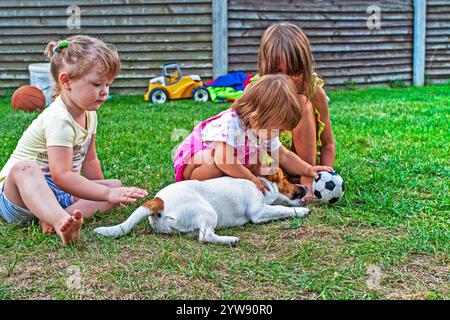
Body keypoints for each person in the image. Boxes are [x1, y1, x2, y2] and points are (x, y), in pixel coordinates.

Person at [0, 35, 148, 245]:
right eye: (97, 84)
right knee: (26, 168)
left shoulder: (90, 114)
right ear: (66, 81)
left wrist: (107, 194)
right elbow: (61, 176)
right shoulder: (59, 118)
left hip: (59, 194)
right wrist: (105, 194)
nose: (104, 91)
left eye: (108, 84)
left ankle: (55, 219)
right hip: (19, 198)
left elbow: (90, 161)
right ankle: (60, 220)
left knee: (115, 185)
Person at [172, 74, 332, 193]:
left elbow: (284, 156)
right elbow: (223, 160)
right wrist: (249, 178)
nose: (280, 134)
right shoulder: (231, 123)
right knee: (216, 162)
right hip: (194, 164)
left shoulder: (264, 128)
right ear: (258, 116)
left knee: (263, 166)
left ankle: (233, 183)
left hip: (231, 159)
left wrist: (308, 170)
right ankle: (204, 189)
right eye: (279, 128)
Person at [257, 22, 337, 202]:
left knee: (301, 103)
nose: (285, 80)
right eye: (277, 72)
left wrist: (322, 176)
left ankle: (306, 181)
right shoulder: (256, 90)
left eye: (294, 72)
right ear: (265, 68)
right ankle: (282, 183)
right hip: (269, 168)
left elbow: (328, 144)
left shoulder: (313, 91)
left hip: (303, 167)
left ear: (305, 68)